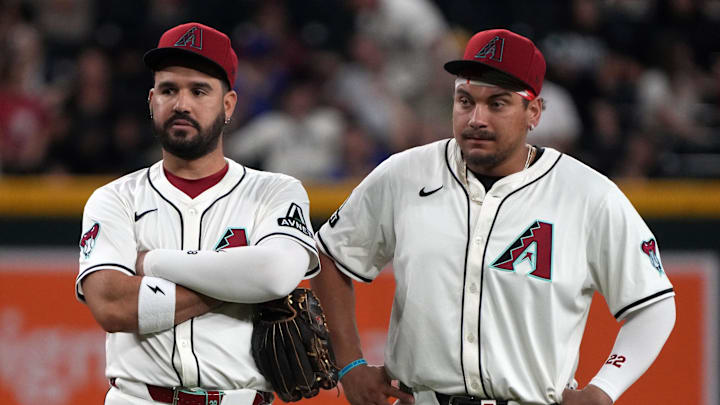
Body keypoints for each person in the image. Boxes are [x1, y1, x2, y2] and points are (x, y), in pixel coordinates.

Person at [311, 28, 676, 405]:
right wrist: (350, 364)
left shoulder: (588, 195)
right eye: (465, 101)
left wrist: (605, 388)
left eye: (497, 104)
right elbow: (330, 255)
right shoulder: (404, 174)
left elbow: (653, 304)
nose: (476, 118)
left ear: (533, 111)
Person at [75, 22, 319, 405]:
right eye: (169, 90)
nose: (181, 104)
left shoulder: (274, 191)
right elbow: (111, 305)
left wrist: (152, 262)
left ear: (228, 105)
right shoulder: (115, 198)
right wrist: (239, 285)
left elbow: (275, 275)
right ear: (151, 100)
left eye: (199, 90)